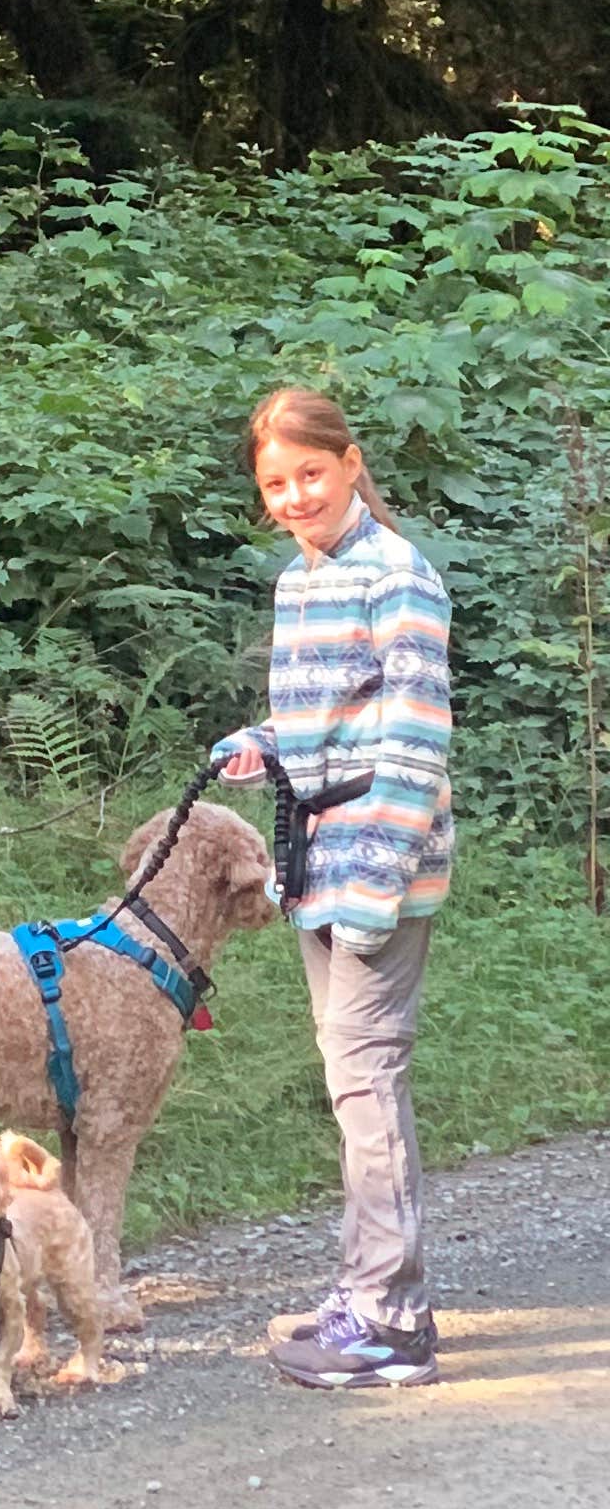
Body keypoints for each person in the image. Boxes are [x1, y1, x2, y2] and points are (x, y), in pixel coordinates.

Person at [210, 386, 452, 1390]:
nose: (296, 494)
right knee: (349, 1078)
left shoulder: (400, 575)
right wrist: (257, 745)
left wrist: (377, 884)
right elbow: (320, 720)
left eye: (312, 473)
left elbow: (413, 737)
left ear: (351, 463)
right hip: (318, 864)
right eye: (276, 483)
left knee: (365, 1079)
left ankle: (389, 1322)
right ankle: (373, 1292)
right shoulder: (301, 579)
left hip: (375, 869)